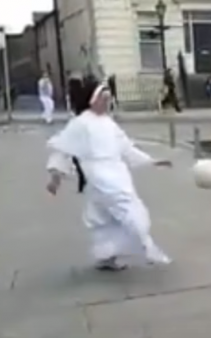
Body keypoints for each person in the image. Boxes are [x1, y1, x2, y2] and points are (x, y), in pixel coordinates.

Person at [45, 75, 174, 271]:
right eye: (103, 98)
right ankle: (146, 246)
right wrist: (55, 177)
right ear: (92, 99)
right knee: (129, 209)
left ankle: (107, 257)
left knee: (103, 217)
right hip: (99, 176)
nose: (107, 102)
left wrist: (152, 161)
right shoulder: (81, 123)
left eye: (108, 98)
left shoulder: (108, 123)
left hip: (116, 172)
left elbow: (126, 148)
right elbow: (64, 150)